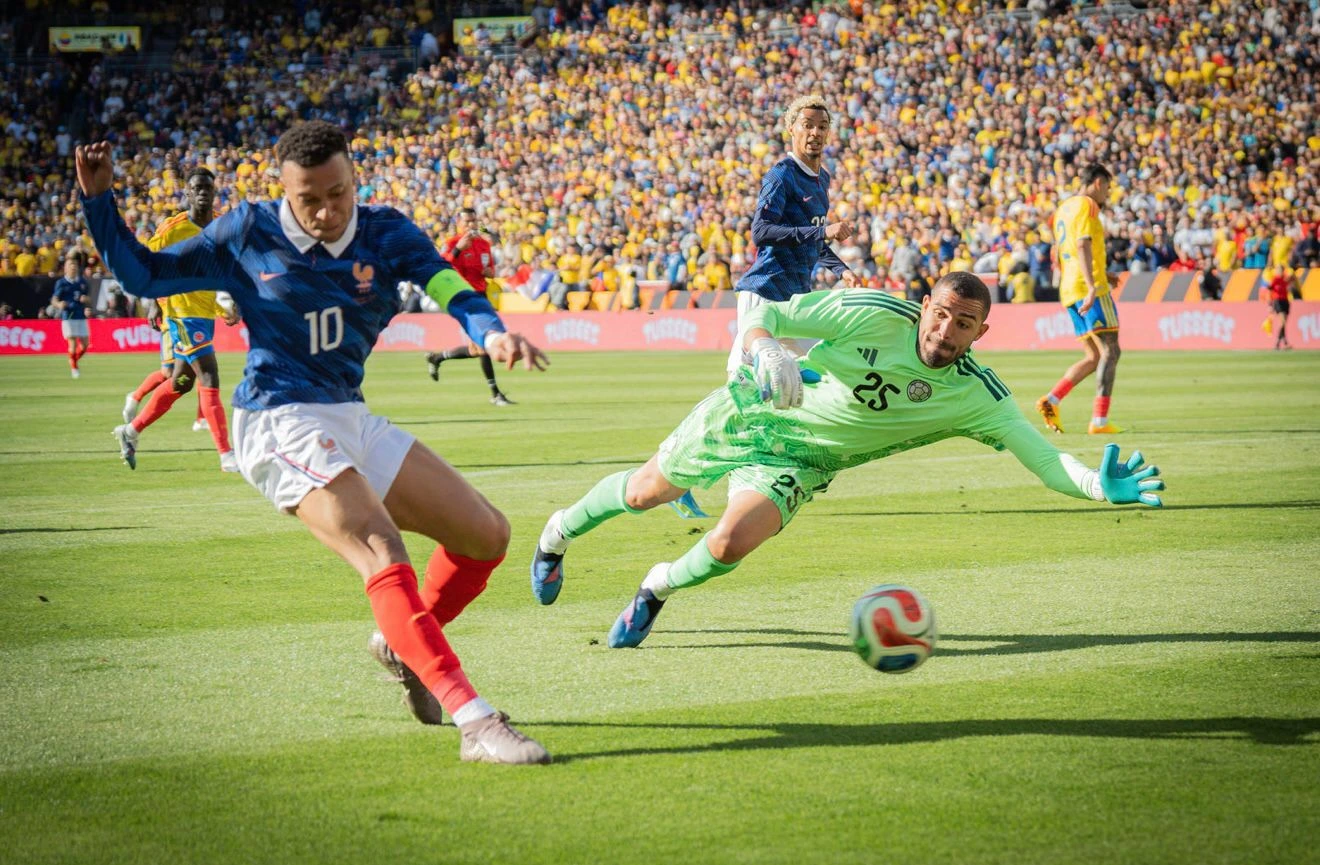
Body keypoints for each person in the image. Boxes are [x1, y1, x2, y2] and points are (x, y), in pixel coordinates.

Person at [79, 121, 553, 764]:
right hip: (277, 419)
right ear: (285, 191)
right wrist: (99, 203)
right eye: (311, 200)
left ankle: (402, 645)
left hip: (347, 413)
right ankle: (475, 721)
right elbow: (144, 273)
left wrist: (490, 329)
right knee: (382, 548)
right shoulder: (248, 230)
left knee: (485, 535)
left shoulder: (385, 231)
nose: (328, 212)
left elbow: (444, 281)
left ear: (353, 179)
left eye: (339, 193)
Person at [529, 273, 1165, 647]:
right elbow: (768, 312)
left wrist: (1096, 487)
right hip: (753, 411)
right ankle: (556, 534)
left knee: (727, 545)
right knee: (645, 494)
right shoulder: (871, 312)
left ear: (981, 332)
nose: (945, 333)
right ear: (926, 308)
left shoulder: (977, 395)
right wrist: (761, 347)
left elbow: (1045, 459)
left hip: (803, 463)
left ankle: (654, 588)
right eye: (940, 316)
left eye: (963, 324)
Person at [116, 168, 242, 472]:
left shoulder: (221, 228)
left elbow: (229, 270)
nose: (202, 193)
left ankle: (130, 431)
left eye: (207, 188)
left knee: (181, 382)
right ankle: (226, 455)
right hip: (181, 312)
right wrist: (153, 304)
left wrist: (232, 303)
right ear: (187, 193)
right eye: (196, 188)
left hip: (204, 311)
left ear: (214, 193)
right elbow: (147, 265)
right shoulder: (172, 228)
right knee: (209, 374)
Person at [1036, 164, 1124, 436]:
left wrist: (1100, 273)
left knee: (1094, 355)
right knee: (1111, 351)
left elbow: (1062, 251)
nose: (1107, 195)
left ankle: (1051, 400)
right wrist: (1091, 284)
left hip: (1068, 288)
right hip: (1089, 288)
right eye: (1107, 188)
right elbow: (1083, 244)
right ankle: (1099, 421)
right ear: (1097, 183)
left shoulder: (1063, 208)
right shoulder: (1088, 206)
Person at [423, 208, 515, 406]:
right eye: (467, 222)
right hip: (460, 296)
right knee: (483, 346)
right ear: (459, 223)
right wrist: (458, 249)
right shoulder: (451, 244)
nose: (471, 225)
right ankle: (495, 394)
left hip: (480, 295)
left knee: (476, 348)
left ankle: (437, 358)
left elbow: (489, 269)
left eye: (474, 221)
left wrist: (490, 272)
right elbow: (440, 266)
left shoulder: (483, 244)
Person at [51, 251, 91, 378]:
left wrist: (86, 300)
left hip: (80, 315)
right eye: (70, 264)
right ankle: (74, 369)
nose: (73, 267)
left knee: (85, 344)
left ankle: (73, 360)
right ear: (65, 267)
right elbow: (54, 300)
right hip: (68, 316)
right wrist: (59, 304)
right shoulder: (61, 283)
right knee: (72, 343)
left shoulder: (82, 282)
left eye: (74, 264)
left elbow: (89, 299)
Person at [1263, 267, 1296, 350]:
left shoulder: (1284, 280)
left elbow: (1292, 281)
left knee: (1284, 323)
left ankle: (1283, 342)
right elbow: (1269, 290)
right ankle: (1280, 342)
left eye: (1281, 270)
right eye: (1279, 270)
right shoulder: (1275, 280)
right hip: (1278, 301)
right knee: (1283, 322)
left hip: (1285, 301)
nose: (1280, 272)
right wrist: (1270, 304)